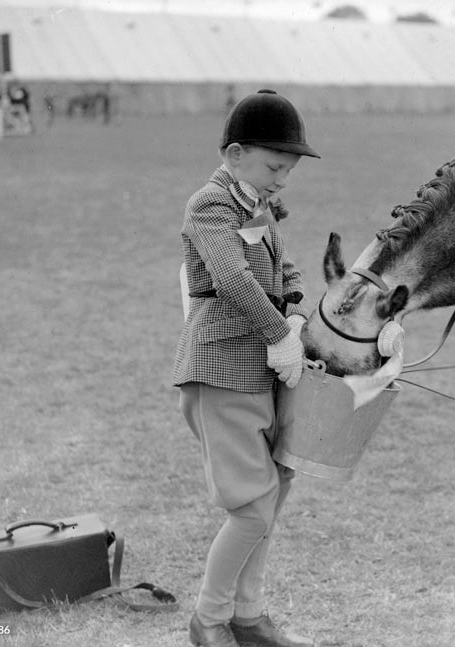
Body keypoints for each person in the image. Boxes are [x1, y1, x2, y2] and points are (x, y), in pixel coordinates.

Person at [173, 89, 320, 647]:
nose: (283, 178)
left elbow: (284, 266)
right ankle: (208, 620)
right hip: (222, 370)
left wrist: (300, 305)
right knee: (252, 509)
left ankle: (249, 616)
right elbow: (233, 280)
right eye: (274, 166)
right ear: (234, 154)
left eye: (289, 170)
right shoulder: (211, 205)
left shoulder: (254, 200)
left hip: (263, 371)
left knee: (273, 492)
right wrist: (281, 332)